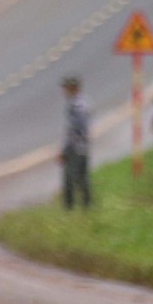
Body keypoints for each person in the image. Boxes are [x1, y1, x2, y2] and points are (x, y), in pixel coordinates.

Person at [60, 75, 91, 209]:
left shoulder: (77, 105)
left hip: (76, 148)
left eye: (67, 88)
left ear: (73, 88)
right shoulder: (80, 103)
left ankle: (75, 208)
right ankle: (86, 206)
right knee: (81, 178)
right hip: (82, 146)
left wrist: (65, 149)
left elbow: (75, 129)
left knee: (72, 180)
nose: (65, 91)